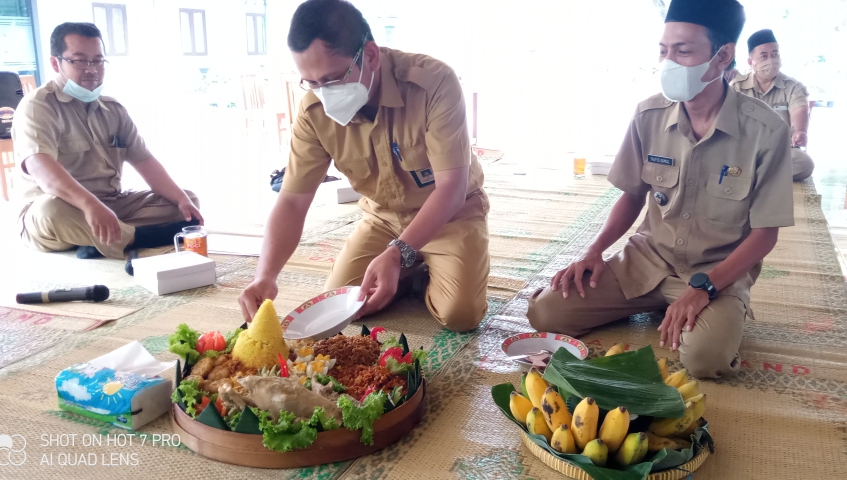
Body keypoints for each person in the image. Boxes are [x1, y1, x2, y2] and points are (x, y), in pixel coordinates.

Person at [526, 0, 794, 379]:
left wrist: (705, 287)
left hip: (714, 270)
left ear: (723, 56)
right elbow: (632, 194)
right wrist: (595, 251)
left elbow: (765, 234)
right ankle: (659, 303)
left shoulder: (765, 132)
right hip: (647, 260)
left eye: (683, 51)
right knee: (546, 313)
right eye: (664, 50)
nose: (669, 62)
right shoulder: (647, 115)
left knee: (704, 360)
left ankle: (704, 310)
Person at [237, 0, 489, 332]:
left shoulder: (432, 83)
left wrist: (398, 253)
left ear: (369, 55)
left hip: (448, 215)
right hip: (384, 217)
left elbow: (452, 189)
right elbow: (292, 200)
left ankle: (416, 268)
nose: (325, 95)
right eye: (312, 83)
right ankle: (410, 273)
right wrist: (265, 276)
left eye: (332, 79)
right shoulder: (314, 112)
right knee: (339, 304)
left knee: (460, 315)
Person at [12, 22, 202, 273]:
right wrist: (90, 205)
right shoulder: (38, 106)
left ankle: (102, 239)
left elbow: (145, 161)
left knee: (185, 201)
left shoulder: (113, 109)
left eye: (98, 61)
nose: (92, 70)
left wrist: (181, 199)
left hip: (112, 204)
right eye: (80, 61)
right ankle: (141, 238)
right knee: (50, 210)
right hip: (59, 210)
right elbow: (44, 173)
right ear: (56, 63)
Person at [731, 29, 814, 181]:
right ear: (751, 62)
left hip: (779, 152)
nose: (771, 60)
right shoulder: (737, 87)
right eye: (764, 56)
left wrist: (800, 131)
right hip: (745, 150)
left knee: (804, 163)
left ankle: (748, 175)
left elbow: (799, 109)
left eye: (774, 54)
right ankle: (764, 175)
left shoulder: (792, 86)